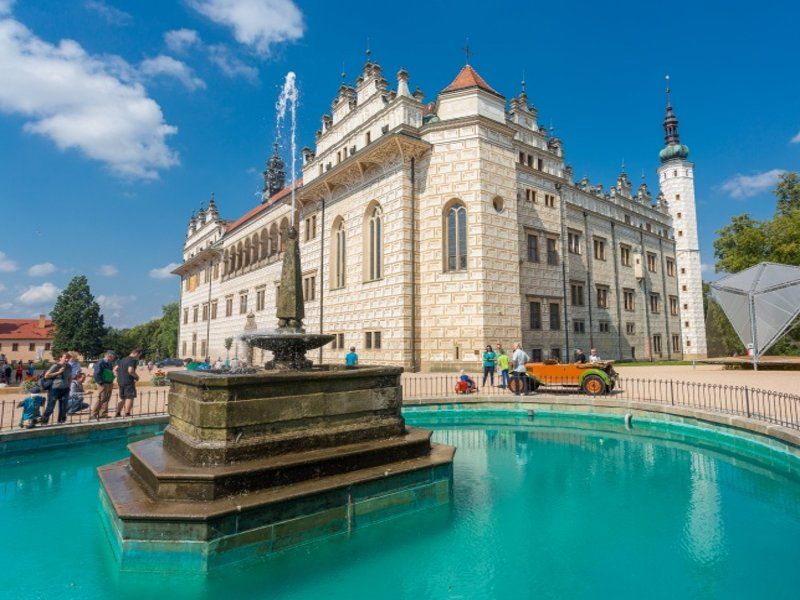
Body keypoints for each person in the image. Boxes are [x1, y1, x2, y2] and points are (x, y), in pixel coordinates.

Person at [41, 352, 73, 424]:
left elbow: (70, 377)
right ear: (60, 358)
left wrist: (69, 386)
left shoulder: (69, 366)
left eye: (68, 358)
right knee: (51, 407)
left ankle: (61, 421)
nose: (67, 359)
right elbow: (46, 375)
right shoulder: (56, 366)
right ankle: (44, 421)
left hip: (65, 389)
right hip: (54, 389)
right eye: (65, 358)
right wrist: (58, 372)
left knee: (63, 407)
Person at [114, 348, 141, 418]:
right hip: (128, 381)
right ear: (136, 353)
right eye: (139, 355)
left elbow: (115, 369)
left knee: (122, 398)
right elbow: (130, 370)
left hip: (120, 381)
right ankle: (127, 413)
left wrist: (119, 376)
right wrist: (136, 377)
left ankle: (118, 413)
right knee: (129, 397)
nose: (139, 357)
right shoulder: (132, 360)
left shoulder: (122, 360)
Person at [91, 350, 116, 419]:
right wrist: (100, 383)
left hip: (109, 382)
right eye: (112, 356)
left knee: (107, 398)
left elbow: (109, 372)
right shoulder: (101, 362)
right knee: (101, 398)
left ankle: (103, 413)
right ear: (108, 355)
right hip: (103, 383)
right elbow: (96, 373)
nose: (113, 358)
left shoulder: (109, 363)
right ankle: (93, 414)